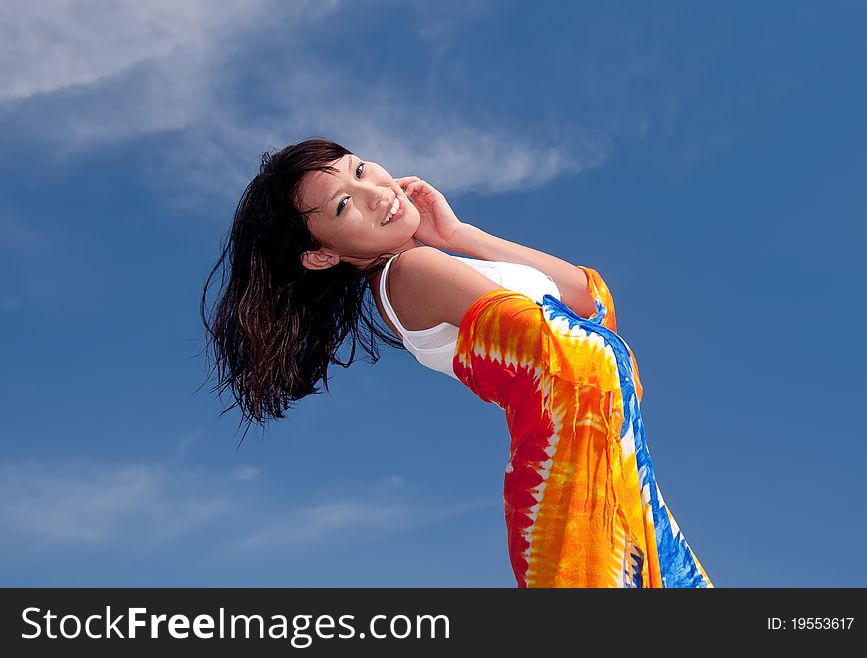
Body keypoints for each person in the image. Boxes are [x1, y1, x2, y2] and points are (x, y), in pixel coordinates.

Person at [200, 137, 714, 588]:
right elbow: (574, 353)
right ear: (321, 255)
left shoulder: (433, 259)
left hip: (616, 493)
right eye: (342, 206)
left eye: (359, 169)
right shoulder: (410, 270)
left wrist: (455, 233)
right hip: (576, 506)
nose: (377, 193)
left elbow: (591, 302)